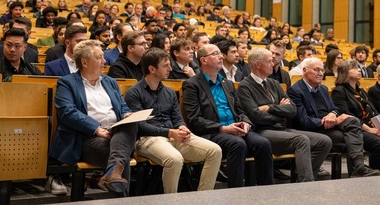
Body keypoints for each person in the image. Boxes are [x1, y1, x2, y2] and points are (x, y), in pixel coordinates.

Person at [125, 48, 222, 193]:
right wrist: (169, 132)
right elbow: (140, 126)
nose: (170, 68)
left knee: (215, 151)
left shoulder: (169, 92)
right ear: (152, 68)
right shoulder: (134, 92)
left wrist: (182, 127)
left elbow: (177, 118)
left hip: (173, 135)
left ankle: (204, 198)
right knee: (175, 159)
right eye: (165, 65)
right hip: (147, 139)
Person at [50, 40, 138, 194]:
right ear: (84, 62)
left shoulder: (110, 82)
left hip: (115, 133)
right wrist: (96, 129)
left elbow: (122, 105)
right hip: (85, 137)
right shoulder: (67, 83)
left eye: (103, 57)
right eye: (99, 58)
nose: (104, 61)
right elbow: (68, 113)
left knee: (131, 124)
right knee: (121, 154)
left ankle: (111, 174)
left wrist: (126, 114)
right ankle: (116, 180)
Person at [182, 43, 274, 187]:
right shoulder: (192, 84)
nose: (220, 56)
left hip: (236, 128)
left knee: (263, 143)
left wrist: (245, 122)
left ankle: (267, 191)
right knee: (237, 144)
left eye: (220, 53)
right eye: (215, 54)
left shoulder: (228, 83)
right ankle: (235, 193)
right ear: (203, 60)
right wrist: (223, 128)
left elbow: (240, 110)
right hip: (214, 131)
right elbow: (194, 120)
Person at [237, 48, 332, 182]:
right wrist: (281, 112)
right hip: (262, 132)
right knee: (301, 140)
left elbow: (292, 110)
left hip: (282, 129)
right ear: (258, 64)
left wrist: (270, 108)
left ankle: (302, 179)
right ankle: (307, 184)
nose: (273, 64)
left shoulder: (274, 83)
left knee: (324, 141)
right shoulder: (245, 86)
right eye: (269, 61)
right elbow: (256, 116)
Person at [287, 57, 380, 177]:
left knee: (352, 120)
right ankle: (358, 169)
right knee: (349, 137)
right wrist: (330, 121)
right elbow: (302, 121)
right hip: (313, 129)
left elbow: (334, 108)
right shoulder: (295, 91)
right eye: (316, 70)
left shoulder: (323, 88)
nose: (321, 73)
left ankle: (359, 167)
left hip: (330, 125)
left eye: (322, 70)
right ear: (304, 70)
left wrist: (333, 114)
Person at [331, 60, 380, 174]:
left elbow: (373, 111)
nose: (359, 70)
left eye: (358, 68)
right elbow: (347, 115)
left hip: (371, 127)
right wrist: (370, 129)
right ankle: (374, 175)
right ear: (345, 72)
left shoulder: (360, 91)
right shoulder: (339, 91)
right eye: (354, 68)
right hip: (356, 129)